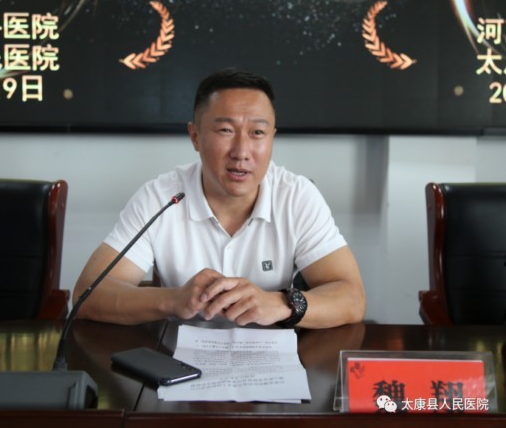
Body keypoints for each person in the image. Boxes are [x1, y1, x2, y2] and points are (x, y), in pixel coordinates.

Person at [73, 68, 365, 328]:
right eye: (226, 130)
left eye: (257, 132)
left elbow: (351, 298)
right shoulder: (161, 197)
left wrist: (280, 303)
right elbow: (87, 296)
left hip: (272, 360)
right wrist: (173, 299)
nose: (242, 151)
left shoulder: (296, 196)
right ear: (195, 136)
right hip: (176, 362)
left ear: (272, 137)